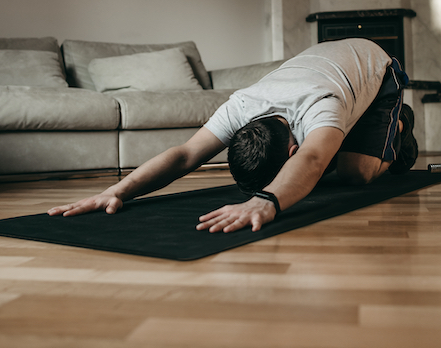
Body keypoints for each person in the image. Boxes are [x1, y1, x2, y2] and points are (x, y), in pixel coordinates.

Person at [48, 38, 418, 234]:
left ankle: (398, 124)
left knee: (357, 175)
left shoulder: (320, 106)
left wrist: (267, 202)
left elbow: (312, 159)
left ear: (291, 149)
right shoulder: (242, 106)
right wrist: (116, 191)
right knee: (316, 172)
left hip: (375, 66)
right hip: (328, 65)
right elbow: (184, 154)